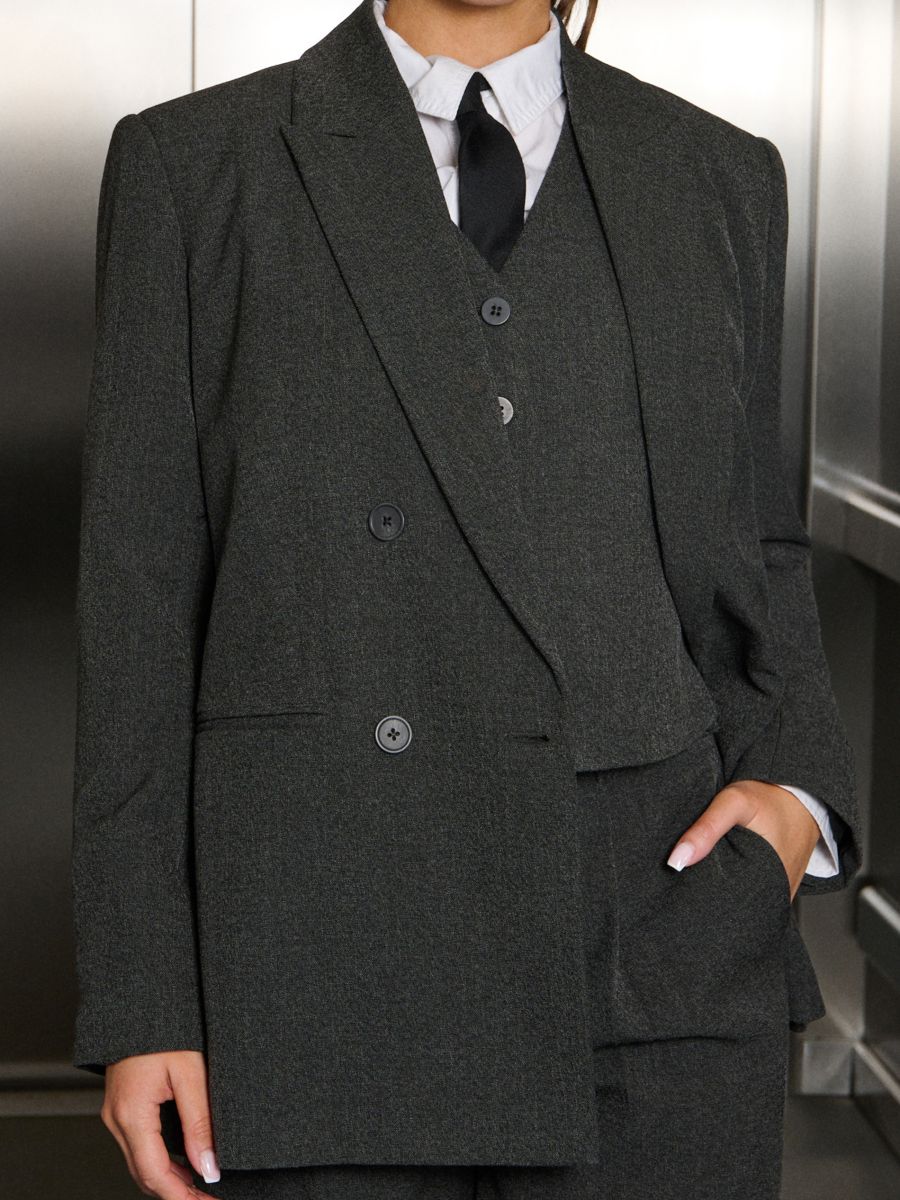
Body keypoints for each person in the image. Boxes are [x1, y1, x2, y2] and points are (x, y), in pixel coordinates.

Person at [70, 0, 863, 1197]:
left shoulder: (717, 172)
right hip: (319, 969)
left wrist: (798, 797)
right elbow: (138, 603)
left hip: (664, 957)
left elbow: (757, 547)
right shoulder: (195, 168)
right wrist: (142, 994)